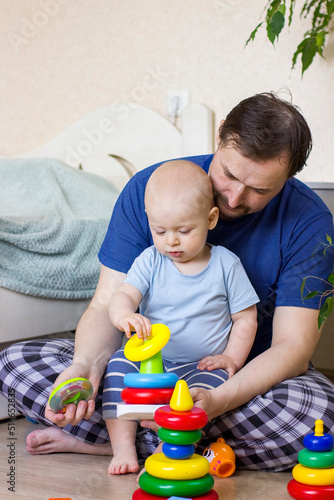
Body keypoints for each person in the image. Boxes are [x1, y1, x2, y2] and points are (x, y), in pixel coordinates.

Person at [0, 92, 333, 472]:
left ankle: (116, 441)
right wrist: (87, 368)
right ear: (221, 135)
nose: (235, 197)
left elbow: (293, 347)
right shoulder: (150, 189)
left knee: (318, 413)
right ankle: (178, 444)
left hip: (234, 381)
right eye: (229, 174)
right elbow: (108, 300)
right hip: (147, 373)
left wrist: (218, 400)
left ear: (288, 178)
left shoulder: (310, 222)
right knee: (16, 361)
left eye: (260, 190)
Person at [103, 160, 259, 474]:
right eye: (160, 231)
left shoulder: (225, 265)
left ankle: (166, 454)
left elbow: (246, 318)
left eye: (184, 231)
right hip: (152, 362)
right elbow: (123, 295)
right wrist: (123, 316)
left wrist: (231, 359)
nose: (171, 241)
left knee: (210, 391)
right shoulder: (150, 259)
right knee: (116, 367)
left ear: (211, 219)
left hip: (202, 364)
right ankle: (122, 449)